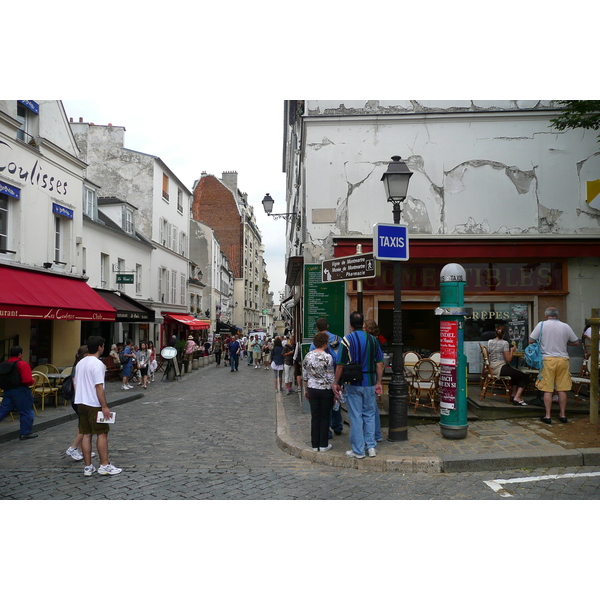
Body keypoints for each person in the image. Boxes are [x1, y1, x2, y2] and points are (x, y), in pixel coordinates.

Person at [333, 311, 384, 459]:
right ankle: (371, 447)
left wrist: (336, 382)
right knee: (369, 414)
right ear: (363, 324)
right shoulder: (374, 340)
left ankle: (358, 450)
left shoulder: (347, 341)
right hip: (370, 382)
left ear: (350, 325)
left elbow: (340, 365)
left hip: (353, 383)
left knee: (355, 416)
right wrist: (379, 382)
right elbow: (380, 364)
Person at [73, 335, 122, 476]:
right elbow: (99, 387)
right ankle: (104, 465)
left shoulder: (80, 363)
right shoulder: (98, 364)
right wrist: (104, 406)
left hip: (81, 402)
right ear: (100, 347)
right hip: (93, 403)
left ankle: (88, 467)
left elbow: (76, 382)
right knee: (102, 433)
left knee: (86, 434)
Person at [529, 307, 579, 424]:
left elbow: (531, 340)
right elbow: (576, 342)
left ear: (546, 316)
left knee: (548, 388)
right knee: (562, 388)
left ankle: (548, 415)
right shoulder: (565, 326)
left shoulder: (542, 325)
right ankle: (562, 415)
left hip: (548, 359)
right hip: (563, 359)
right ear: (557, 315)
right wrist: (564, 342)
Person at [302, 331, 336, 452]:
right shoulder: (328, 357)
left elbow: (305, 375)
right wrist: (334, 391)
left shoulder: (308, 356)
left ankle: (314, 444)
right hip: (325, 389)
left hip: (312, 388)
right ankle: (323, 444)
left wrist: (306, 390)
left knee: (315, 416)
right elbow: (331, 377)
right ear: (325, 344)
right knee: (325, 416)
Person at [310, 317, 343, 437]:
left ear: (317, 328)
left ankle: (327, 430)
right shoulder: (338, 338)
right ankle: (338, 425)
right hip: (337, 374)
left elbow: (311, 361)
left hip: (322, 377)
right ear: (327, 326)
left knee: (325, 405)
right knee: (336, 400)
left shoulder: (315, 343)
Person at [66, 345, 98, 461]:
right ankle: (73, 447)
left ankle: (82, 449)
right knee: (85, 426)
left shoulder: (81, 365)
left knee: (83, 424)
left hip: (81, 398)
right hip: (79, 399)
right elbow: (76, 385)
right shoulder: (78, 367)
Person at [0, 346, 37, 440]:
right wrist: (33, 381)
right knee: (26, 411)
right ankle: (25, 433)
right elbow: (27, 380)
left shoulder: (4, 364)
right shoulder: (22, 364)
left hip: (7, 390)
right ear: (20, 354)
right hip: (21, 390)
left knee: (3, 410)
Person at [487, 325, 530, 405]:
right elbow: (508, 359)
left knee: (515, 374)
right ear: (505, 334)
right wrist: (512, 350)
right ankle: (517, 397)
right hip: (500, 367)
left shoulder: (490, 342)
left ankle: (513, 394)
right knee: (524, 376)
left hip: (492, 367)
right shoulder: (505, 343)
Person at [364, 318, 384, 441]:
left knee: (371, 408)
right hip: (374, 374)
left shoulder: (373, 341)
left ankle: (375, 434)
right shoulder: (378, 339)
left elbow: (379, 362)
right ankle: (376, 433)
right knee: (372, 407)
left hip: (372, 375)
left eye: (365, 327)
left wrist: (379, 381)